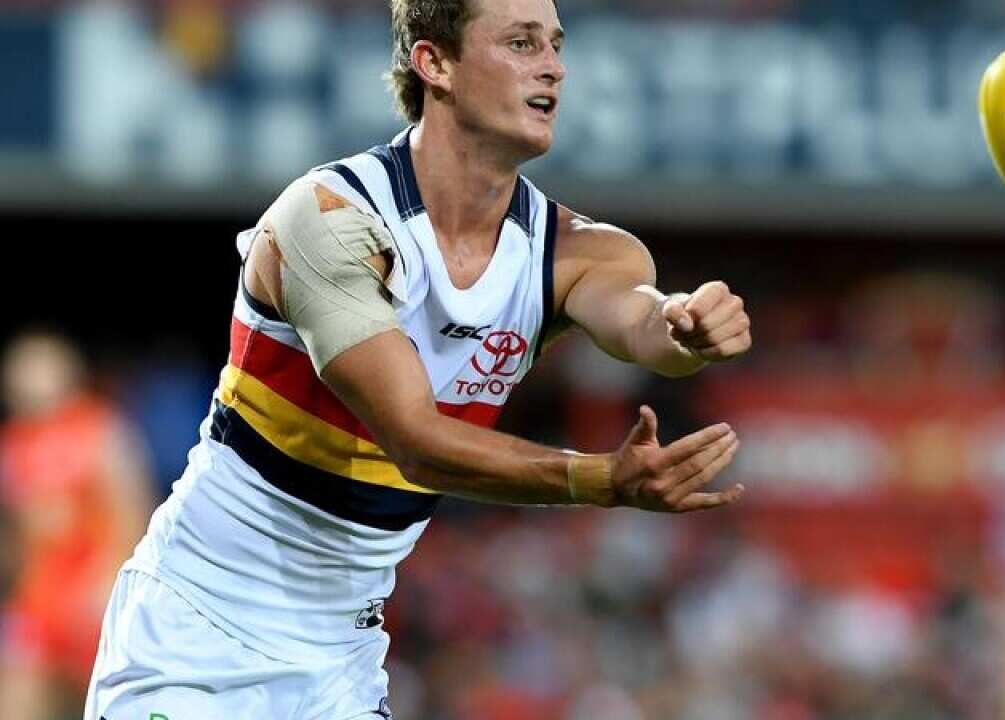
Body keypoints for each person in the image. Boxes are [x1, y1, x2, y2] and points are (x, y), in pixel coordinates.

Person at [84, 0, 752, 717]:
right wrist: (598, 480)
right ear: (435, 64)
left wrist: (686, 327)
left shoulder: (582, 252)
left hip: (340, 663)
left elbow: (639, 319)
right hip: (196, 634)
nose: (553, 66)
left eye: (556, 45)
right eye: (522, 43)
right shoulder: (328, 220)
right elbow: (413, 442)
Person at [0, 331, 151, 720]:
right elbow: (13, 532)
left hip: (92, 592)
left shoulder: (100, 428)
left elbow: (132, 507)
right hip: (40, 599)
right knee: (19, 695)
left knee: (105, 702)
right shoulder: (13, 442)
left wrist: (109, 577)